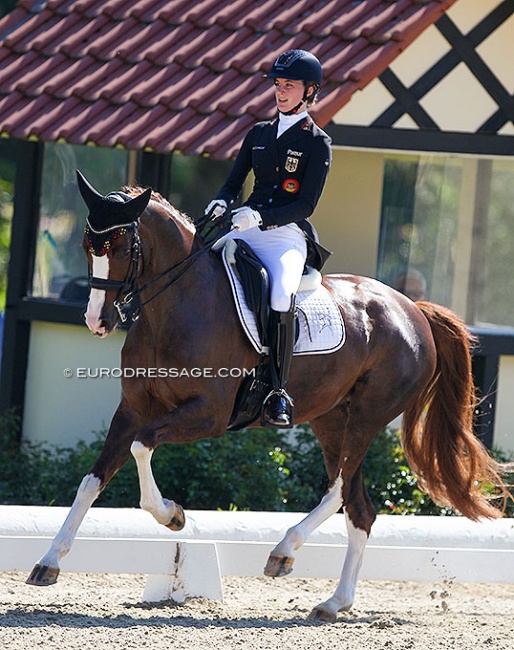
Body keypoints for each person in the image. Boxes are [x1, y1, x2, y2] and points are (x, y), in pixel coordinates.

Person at [202, 49, 332, 428]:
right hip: (244, 228)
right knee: (200, 269)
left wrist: (260, 216)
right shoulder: (258, 133)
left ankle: (277, 390)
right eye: (277, 84)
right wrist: (220, 201)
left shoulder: (317, 142)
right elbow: (233, 183)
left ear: (309, 91)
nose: (280, 91)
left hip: (285, 237)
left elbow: (305, 204)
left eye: (288, 85)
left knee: (279, 294)